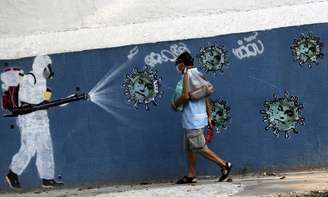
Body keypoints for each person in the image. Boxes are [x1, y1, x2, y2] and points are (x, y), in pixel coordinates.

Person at [171, 51, 232, 184]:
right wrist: (209, 116)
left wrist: (175, 104)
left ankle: (224, 165)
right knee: (190, 148)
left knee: (199, 147)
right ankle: (191, 175)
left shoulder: (187, 74)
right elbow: (206, 97)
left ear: (182, 64)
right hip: (197, 118)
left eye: (178, 64)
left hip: (193, 120)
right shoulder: (198, 74)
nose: (177, 67)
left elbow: (186, 96)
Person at [5, 55, 63, 190]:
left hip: (41, 119)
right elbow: (26, 98)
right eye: (48, 67)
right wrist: (41, 102)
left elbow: (43, 99)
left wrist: (47, 99)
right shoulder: (29, 78)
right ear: (41, 66)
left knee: (45, 148)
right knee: (29, 148)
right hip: (28, 121)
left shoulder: (43, 81)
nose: (49, 70)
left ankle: (47, 179)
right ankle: (12, 174)